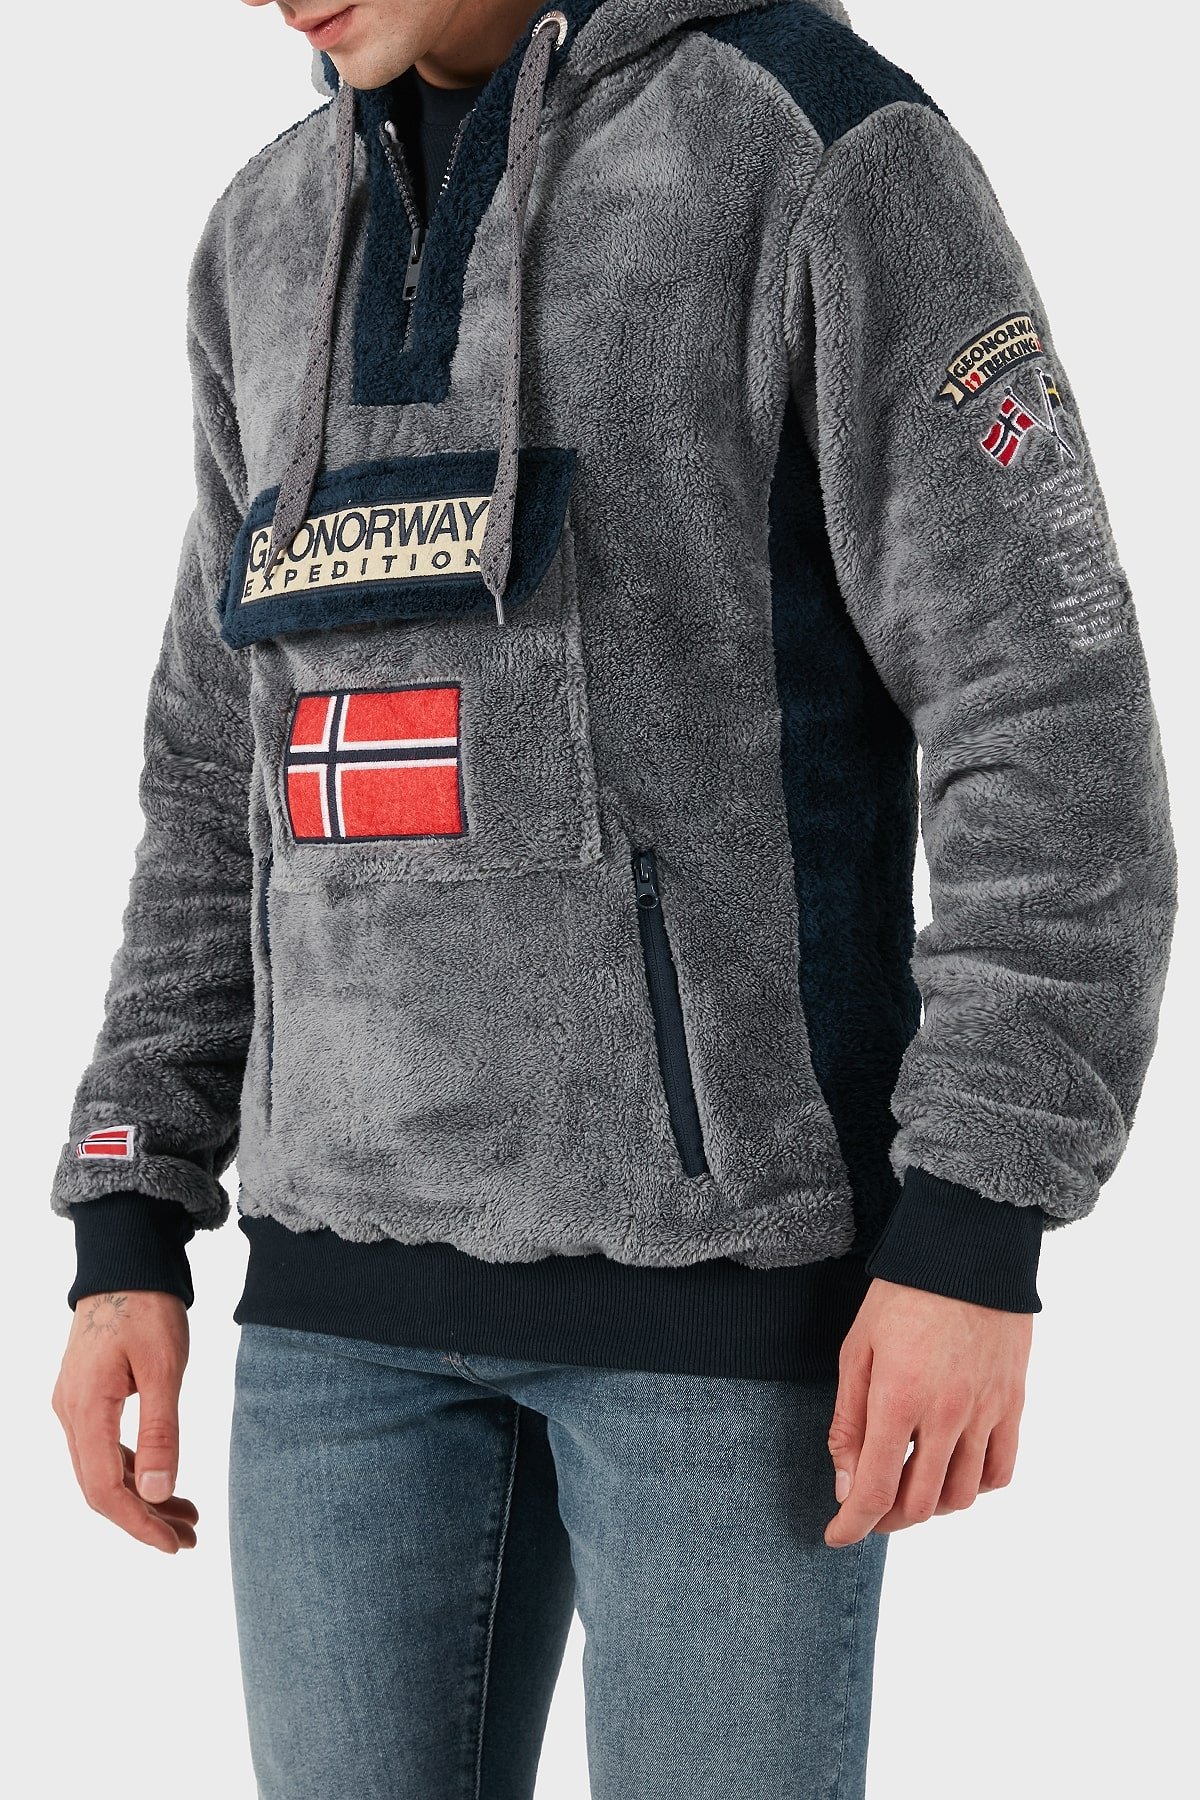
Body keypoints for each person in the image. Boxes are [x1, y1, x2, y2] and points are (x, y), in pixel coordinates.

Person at [49, 0, 1177, 1794]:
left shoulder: (818, 149)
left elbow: (1047, 708)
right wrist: (130, 1209)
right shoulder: (261, 233)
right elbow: (216, 772)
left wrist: (980, 1223)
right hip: (335, 1316)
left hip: (721, 1305)